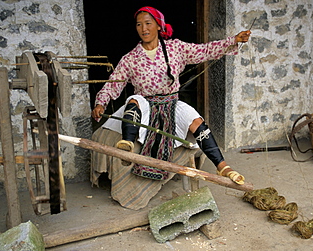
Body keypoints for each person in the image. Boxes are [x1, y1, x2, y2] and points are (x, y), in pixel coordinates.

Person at [91, 6, 251, 184]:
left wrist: (233, 40)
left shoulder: (176, 48)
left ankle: (222, 167)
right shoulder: (130, 58)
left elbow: (205, 50)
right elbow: (114, 82)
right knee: (133, 100)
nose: (143, 29)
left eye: (148, 23)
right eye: (139, 24)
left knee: (197, 121)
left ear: (159, 26)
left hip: (171, 103)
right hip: (145, 106)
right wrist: (101, 103)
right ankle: (127, 145)